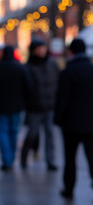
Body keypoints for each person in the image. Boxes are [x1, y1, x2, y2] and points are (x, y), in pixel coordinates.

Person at [55, 38, 93, 199]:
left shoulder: (67, 72)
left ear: (71, 51)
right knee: (92, 157)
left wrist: (58, 119)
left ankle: (69, 188)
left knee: (70, 158)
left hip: (71, 124)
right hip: (91, 123)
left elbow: (62, 99)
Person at [0, 45, 32, 171]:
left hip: (0, 106)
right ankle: (10, 157)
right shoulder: (20, 69)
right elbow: (28, 87)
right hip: (16, 107)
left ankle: (7, 160)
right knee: (14, 132)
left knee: (3, 133)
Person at [20, 39, 59, 170]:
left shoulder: (52, 64)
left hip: (50, 106)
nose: (42, 51)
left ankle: (50, 161)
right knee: (32, 134)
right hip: (34, 107)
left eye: (43, 48)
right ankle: (24, 156)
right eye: (39, 48)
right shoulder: (28, 67)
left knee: (50, 135)